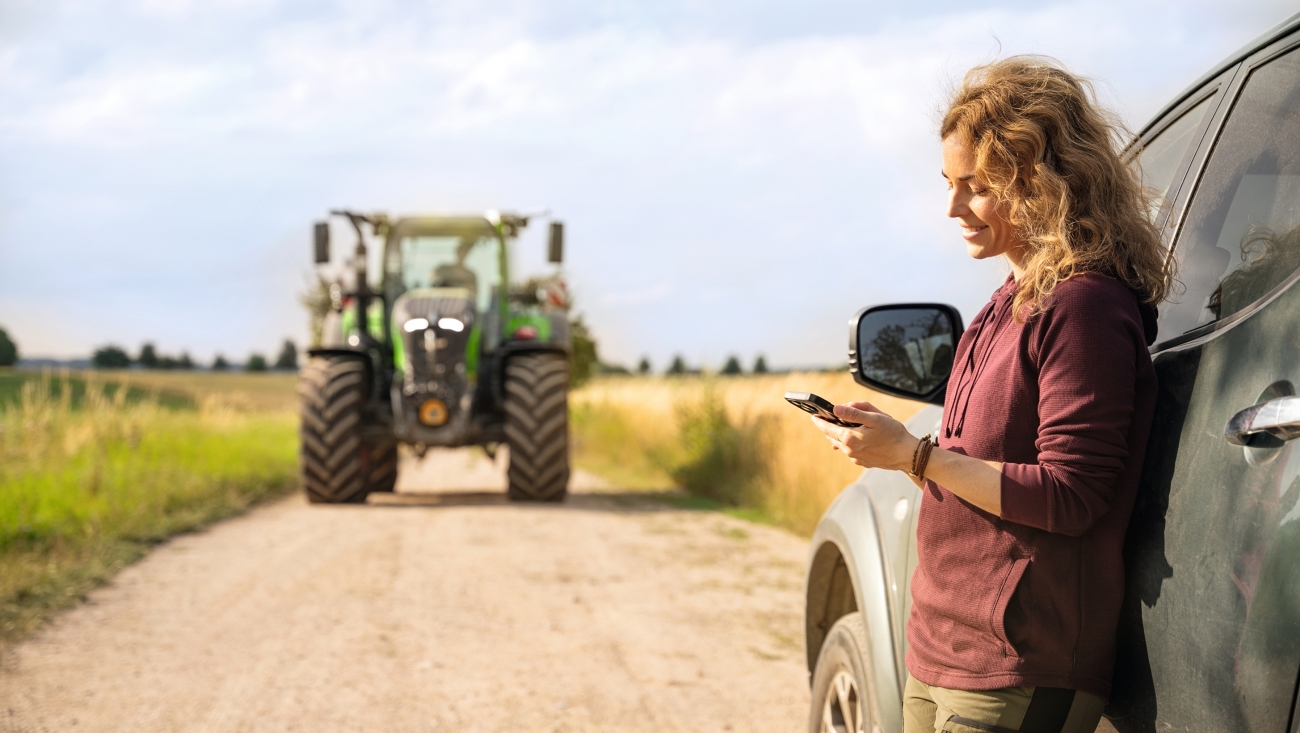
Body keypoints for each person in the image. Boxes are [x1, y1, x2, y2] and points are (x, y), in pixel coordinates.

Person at [811, 56, 1171, 733]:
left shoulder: (1085, 308)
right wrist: (897, 445)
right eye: (949, 185)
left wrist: (917, 456)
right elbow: (980, 469)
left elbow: (1071, 494)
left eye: (974, 187)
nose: (952, 208)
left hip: (1017, 664)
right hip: (940, 652)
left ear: (1037, 181)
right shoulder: (1004, 303)